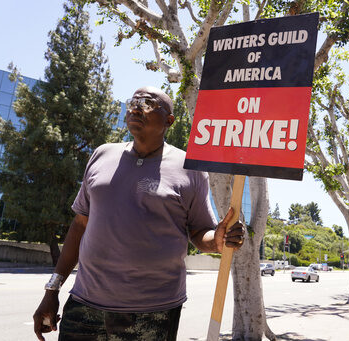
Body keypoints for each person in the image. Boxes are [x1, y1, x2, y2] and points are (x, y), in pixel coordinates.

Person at [33, 86, 246, 341]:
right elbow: (80, 225)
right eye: (133, 101)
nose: (136, 107)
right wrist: (52, 289)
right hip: (84, 307)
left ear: (169, 120)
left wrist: (218, 241)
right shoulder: (102, 154)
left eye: (147, 103)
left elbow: (200, 232)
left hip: (153, 314)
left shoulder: (190, 168)